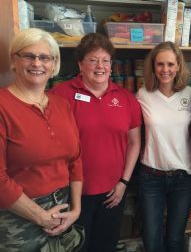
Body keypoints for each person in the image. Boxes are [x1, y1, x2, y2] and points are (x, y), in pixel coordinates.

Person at [50, 33, 142, 252]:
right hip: (71, 192)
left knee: (105, 246)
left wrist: (123, 182)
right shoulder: (60, 95)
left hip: (112, 193)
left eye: (105, 60)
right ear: (80, 64)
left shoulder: (126, 98)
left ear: (111, 65)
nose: (100, 66)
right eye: (93, 60)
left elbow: (134, 143)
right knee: (75, 247)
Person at [0, 28, 83, 251]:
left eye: (45, 57)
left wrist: (76, 210)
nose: (37, 63)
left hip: (63, 211)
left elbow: (75, 159)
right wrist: (41, 217)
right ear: (14, 60)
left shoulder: (61, 105)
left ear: (54, 64)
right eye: (28, 55)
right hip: (18, 218)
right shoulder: (2, 106)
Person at [136, 41, 191, 252]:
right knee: (152, 240)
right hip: (151, 177)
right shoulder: (142, 95)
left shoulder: (190, 95)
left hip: (184, 178)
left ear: (178, 66)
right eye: (160, 64)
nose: (165, 70)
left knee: (174, 238)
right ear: (153, 66)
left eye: (170, 64)